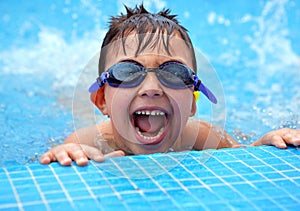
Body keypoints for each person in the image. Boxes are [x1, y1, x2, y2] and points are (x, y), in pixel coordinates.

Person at [40, 4, 300, 166]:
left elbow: (241, 158)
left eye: (174, 72)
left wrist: (263, 145)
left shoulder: (199, 136)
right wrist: (68, 152)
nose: (151, 87)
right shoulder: (89, 140)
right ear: (102, 101)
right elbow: (56, 160)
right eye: (128, 71)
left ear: (193, 103)